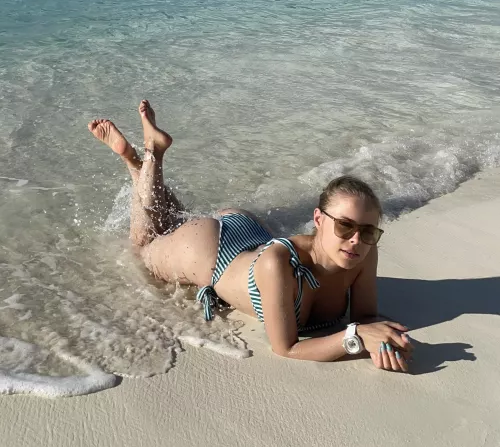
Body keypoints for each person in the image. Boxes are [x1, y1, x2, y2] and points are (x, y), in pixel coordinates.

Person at [89, 100, 412, 371]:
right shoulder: (279, 264)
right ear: (318, 219)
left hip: (252, 233)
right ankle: (147, 155)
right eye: (345, 226)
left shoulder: (363, 252)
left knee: (168, 220)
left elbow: (364, 319)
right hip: (213, 252)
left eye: (368, 231)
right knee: (143, 246)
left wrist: (379, 343)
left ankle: (143, 158)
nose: (356, 239)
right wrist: (354, 338)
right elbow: (286, 348)